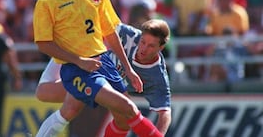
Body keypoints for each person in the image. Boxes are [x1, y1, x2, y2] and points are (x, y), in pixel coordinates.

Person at [33, 0, 162, 137]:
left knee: (122, 119)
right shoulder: (47, 1)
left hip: (103, 62)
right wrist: (78, 61)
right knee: (128, 107)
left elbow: (110, 33)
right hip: (76, 67)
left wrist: (128, 69)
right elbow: (43, 43)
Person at [36, 19, 172, 135]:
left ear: (161, 48)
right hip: (88, 65)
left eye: (151, 46)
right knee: (47, 96)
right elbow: (95, 29)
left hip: (107, 83)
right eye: (143, 42)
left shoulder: (157, 75)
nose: (143, 48)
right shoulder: (128, 35)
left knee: (124, 119)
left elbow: (165, 112)